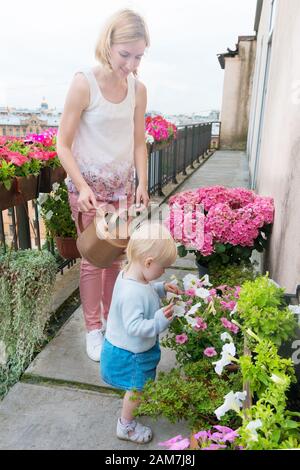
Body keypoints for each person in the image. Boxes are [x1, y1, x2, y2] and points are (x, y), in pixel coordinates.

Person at [56, 9, 150, 361]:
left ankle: (112, 323)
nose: (131, 63)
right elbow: (62, 144)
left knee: (117, 260)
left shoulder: (138, 90)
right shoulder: (84, 82)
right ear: (108, 44)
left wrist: (142, 180)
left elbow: (139, 141)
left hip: (124, 189)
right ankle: (92, 330)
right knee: (93, 259)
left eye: (139, 55)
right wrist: (81, 187)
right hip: (89, 191)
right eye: (125, 54)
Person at [100, 221, 183, 443]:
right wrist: (158, 321)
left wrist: (160, 287)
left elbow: (144, 289)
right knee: (136, 388)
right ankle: (125, 426)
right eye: (162, 267)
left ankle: (131, 409)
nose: (164, 271)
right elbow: (134, 327)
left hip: (131, 349)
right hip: (131, 354)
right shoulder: (131, 293)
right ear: (148, 262)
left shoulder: (131, 274)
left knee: (137, 387)